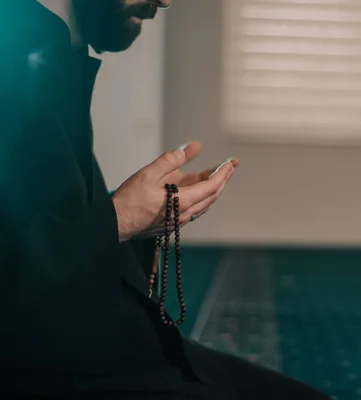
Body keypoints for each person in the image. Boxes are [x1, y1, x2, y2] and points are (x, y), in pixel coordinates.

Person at [0, 1, 330, 399]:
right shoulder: (15, 47)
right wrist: (120, 217)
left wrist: (143, 217)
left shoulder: (51, 46)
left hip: (120, 346)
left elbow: (33, 223)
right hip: (62, 371)